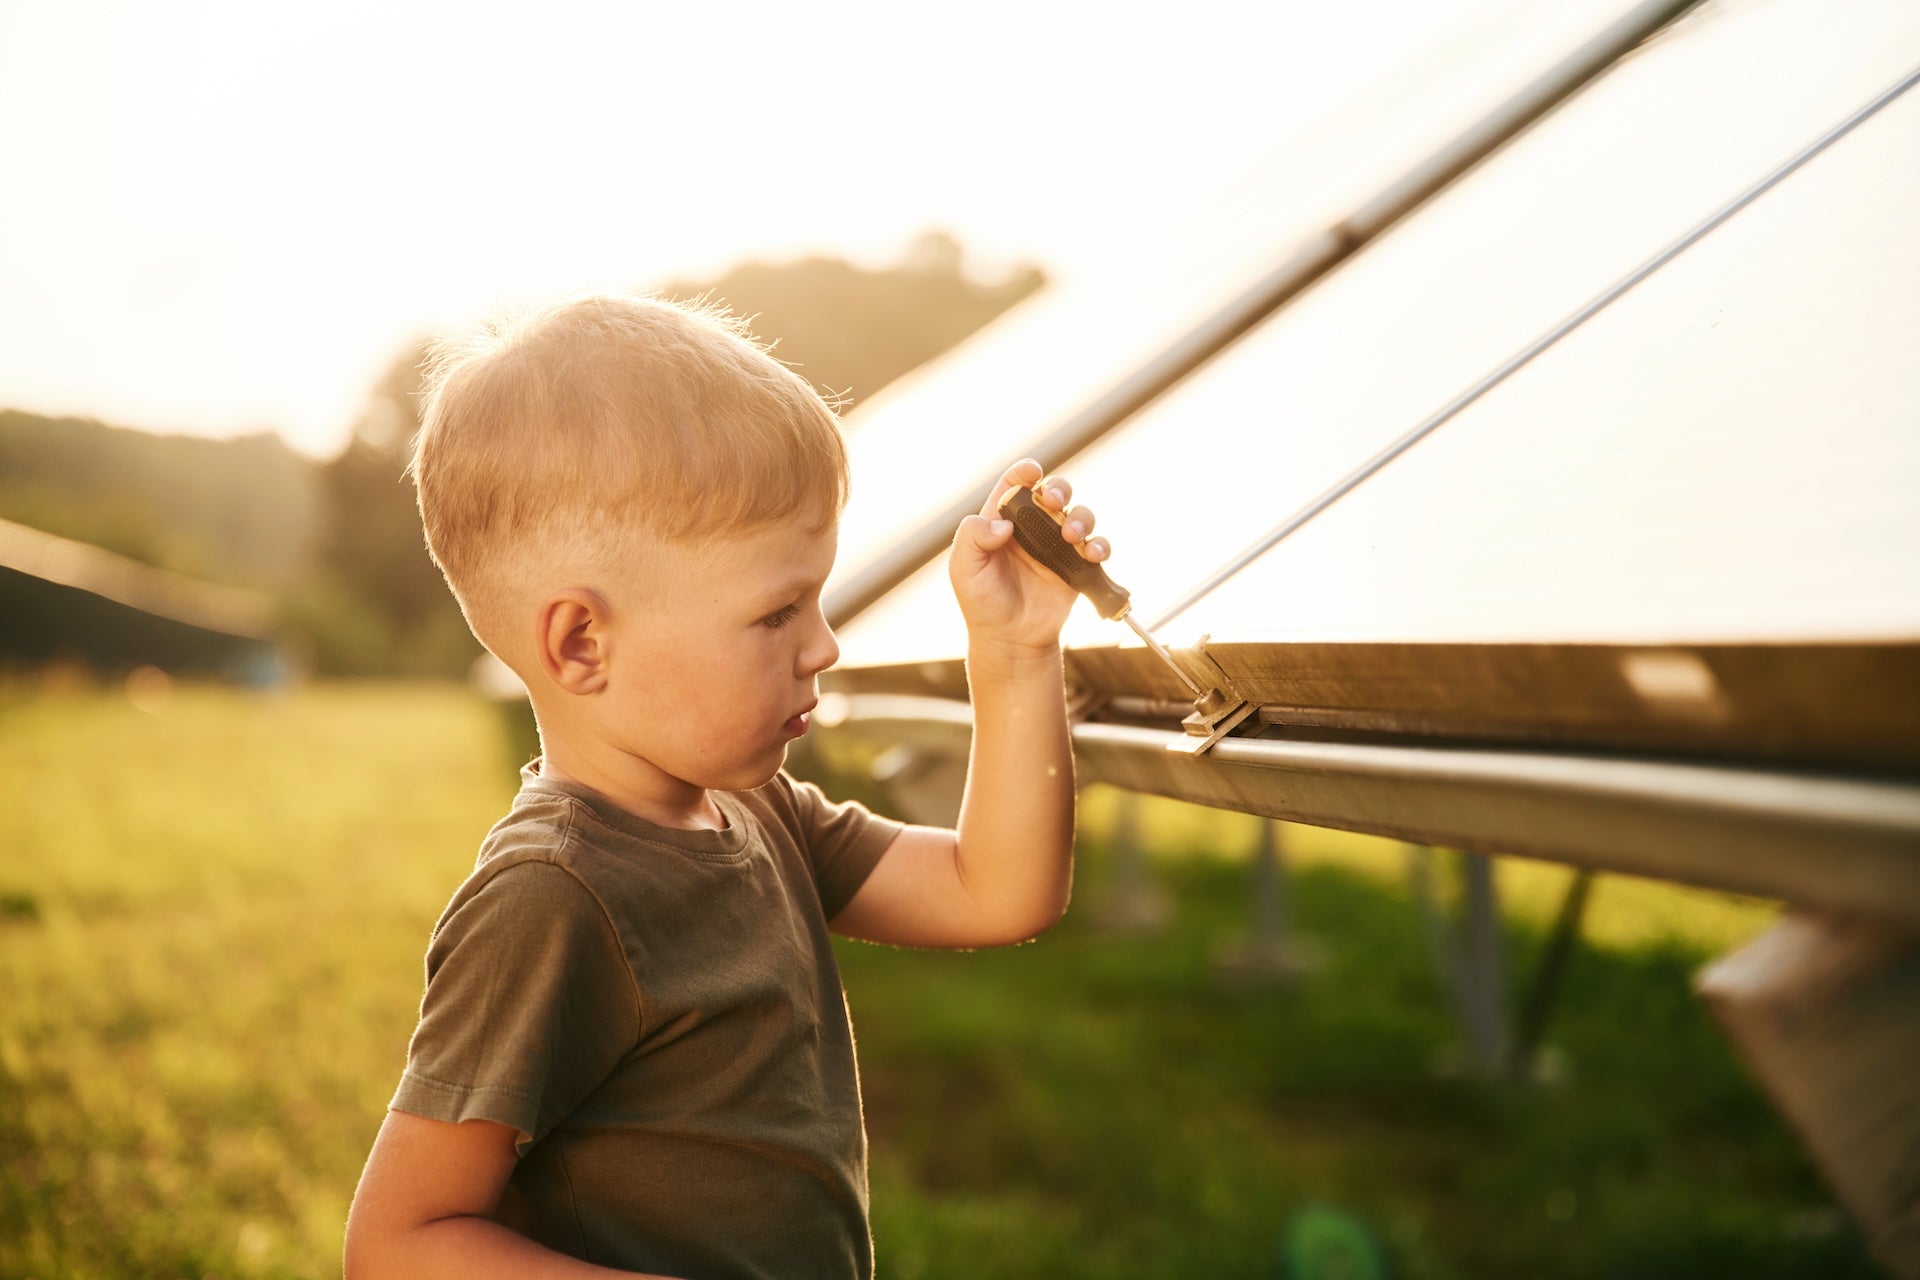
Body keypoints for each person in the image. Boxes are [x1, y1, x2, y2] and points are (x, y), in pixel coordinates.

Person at [343, 293, 1110, 1279]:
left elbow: (996, 889)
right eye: (777, 611)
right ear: (582, 641)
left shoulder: (762, 814)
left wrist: (1013, 649)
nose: (824, 644)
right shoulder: (551, 895)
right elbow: (399, 1242)